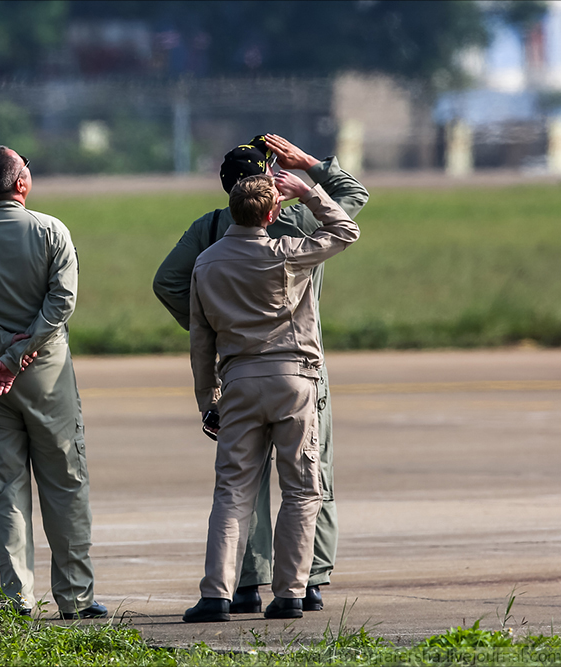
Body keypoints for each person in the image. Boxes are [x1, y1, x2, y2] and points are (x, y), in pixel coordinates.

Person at [153, 134, 368, 613]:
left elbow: (196, 335)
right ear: (272, 198)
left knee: (233, 490)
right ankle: (299, 587)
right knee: (305, 485)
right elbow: (350, 215)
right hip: (297, 375)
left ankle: (223, 591)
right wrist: (310, 176)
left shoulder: (205, 258)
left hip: (237, 378)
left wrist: (208, 394)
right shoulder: (293, 239)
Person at [0, 146, 106, 620]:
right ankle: (75, 597)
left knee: (5, 489)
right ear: (20, 185)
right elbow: (61, 301)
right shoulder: (50, 230)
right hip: (46, 377)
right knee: (66, 485)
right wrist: (19, 353)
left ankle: (17, 600)